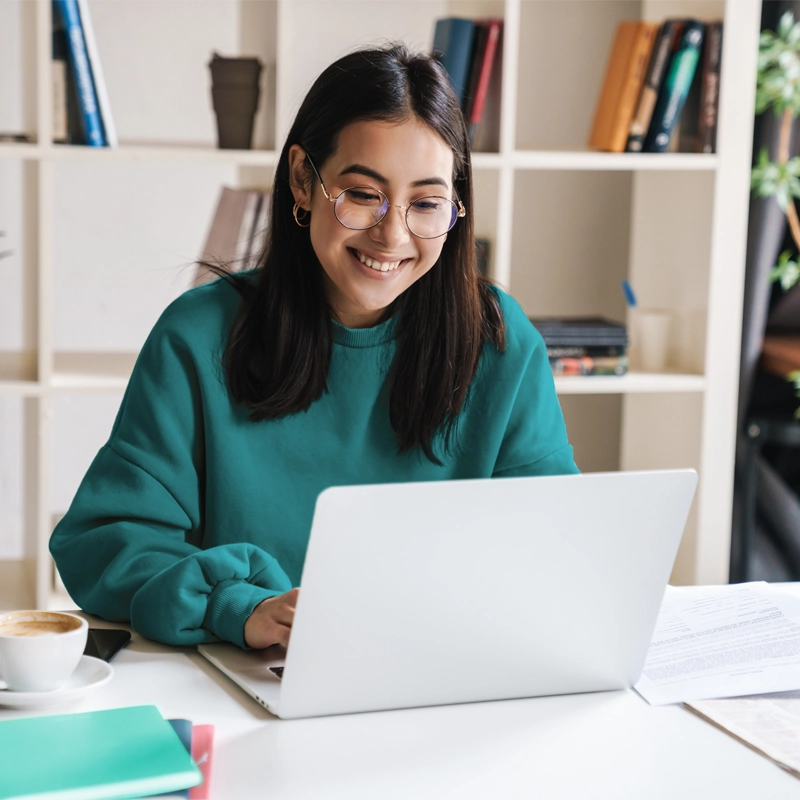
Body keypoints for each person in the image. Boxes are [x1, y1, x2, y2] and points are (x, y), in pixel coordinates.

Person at [50, 44, 578, 652]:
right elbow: (106, 541)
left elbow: (554, 545)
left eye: (426, 203)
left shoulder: (499, 342)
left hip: (445, 675)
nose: (393, 234)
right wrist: (235, 604)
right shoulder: (198, 338)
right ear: (303, 179)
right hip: (253, 678)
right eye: (362, 193)